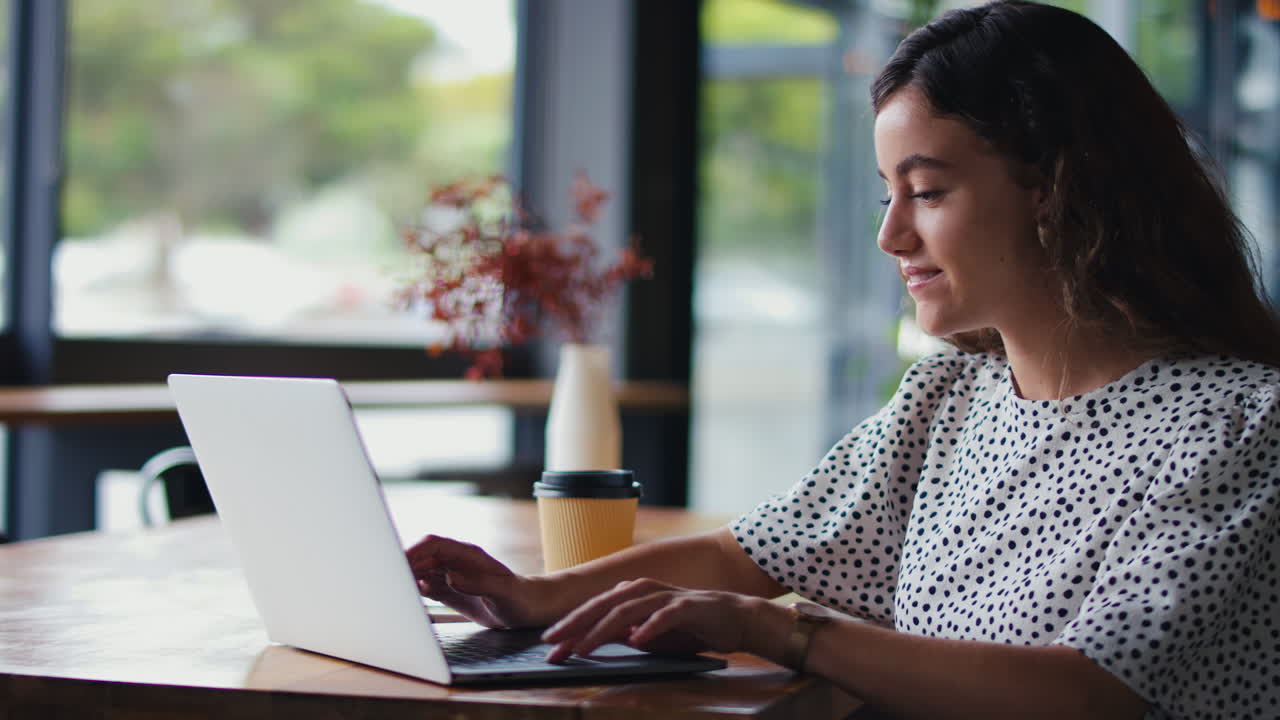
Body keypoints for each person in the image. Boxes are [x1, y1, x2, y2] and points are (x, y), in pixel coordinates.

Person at [407, 2, 1280, 718]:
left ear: (1056, 185)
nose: (891, 235)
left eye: (928, 192)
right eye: (886, 193)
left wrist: (781, 632)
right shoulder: (947, 400)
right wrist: (537, 598)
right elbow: (744, 553)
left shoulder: (1240, 425)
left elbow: (1092, 694)